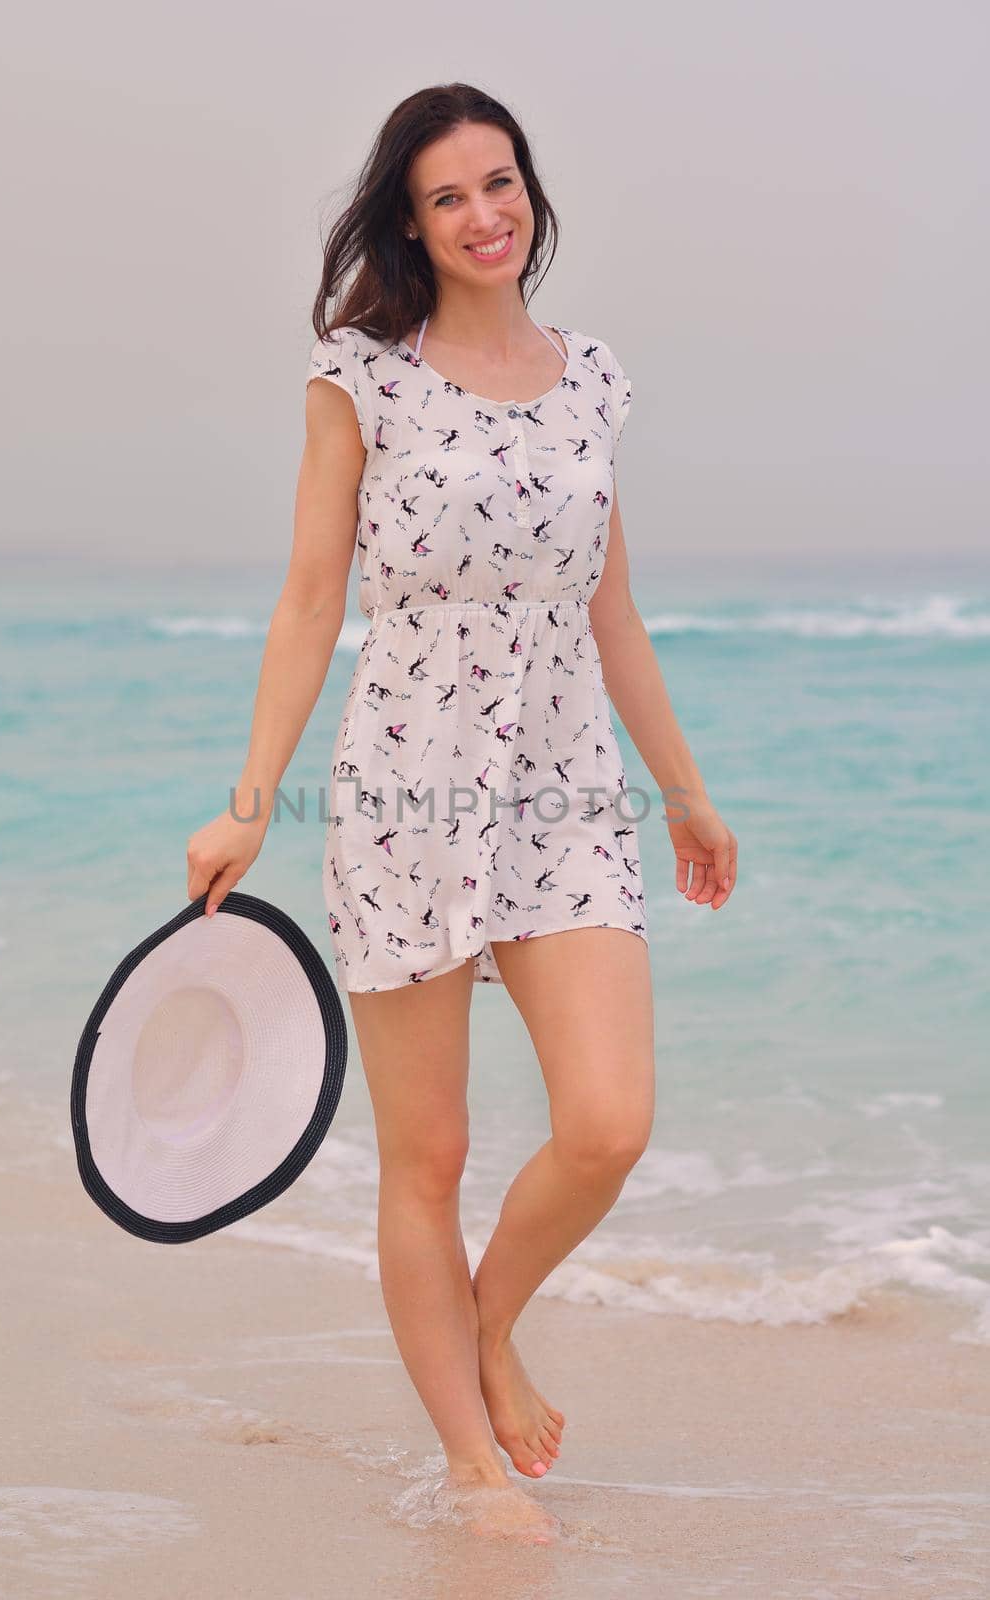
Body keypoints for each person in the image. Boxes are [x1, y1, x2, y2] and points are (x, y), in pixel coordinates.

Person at [187, 82, 737, 1542]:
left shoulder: (594, 377)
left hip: (567, 797)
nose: (487, 213)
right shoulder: (361, 376)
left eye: (503, 183)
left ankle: (491, 1326)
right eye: (450, 196)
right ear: (412, 222)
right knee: (423, 1159)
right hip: (406, 794)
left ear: (530, 194)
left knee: (608, 1124)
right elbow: (311, 598)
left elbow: (612, 613)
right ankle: (473, 1468)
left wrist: (683, 793)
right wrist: (247, 805)